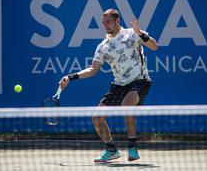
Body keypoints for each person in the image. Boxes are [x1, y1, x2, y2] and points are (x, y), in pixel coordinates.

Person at [59, 9, 158, 162]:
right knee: (96, 118)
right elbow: (93, 69)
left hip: (140, 80)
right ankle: (111, 150)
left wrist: (140, 33)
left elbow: (154, 46)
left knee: (127, 105)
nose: (105, 25)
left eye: (108, 22)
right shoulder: (103, 46)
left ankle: (132, 146)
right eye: (103, 23)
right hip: (118, 85)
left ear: (117, 21)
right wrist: (70, 77)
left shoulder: (133, 33)